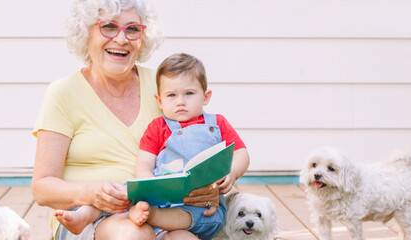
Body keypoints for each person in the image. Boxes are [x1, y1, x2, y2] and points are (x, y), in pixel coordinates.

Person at [32, 0, 237, 239]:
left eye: (132, 29)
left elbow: (204, 140)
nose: (121, 39)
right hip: (88, 215)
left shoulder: (165, 86)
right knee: (133, 234)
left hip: (163, 211)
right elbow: (42, 188)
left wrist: (210, 187)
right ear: (85, 32)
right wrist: (92, 192)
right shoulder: (63, 93)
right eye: (108, 27)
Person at [52, 53, 250, 240]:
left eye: (189, 93)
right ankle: (85, 215)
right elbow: (144, 162)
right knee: (120, 191)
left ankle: (150, 214)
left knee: (185, 218)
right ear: (159, 101)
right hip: (162, 193)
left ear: (205, 97)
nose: (180, 102)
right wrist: (147, 183)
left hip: (201, 207)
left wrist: (231, 173)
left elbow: (241, 153)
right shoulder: (158, 127)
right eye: (171, 95)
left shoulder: (217, 123)